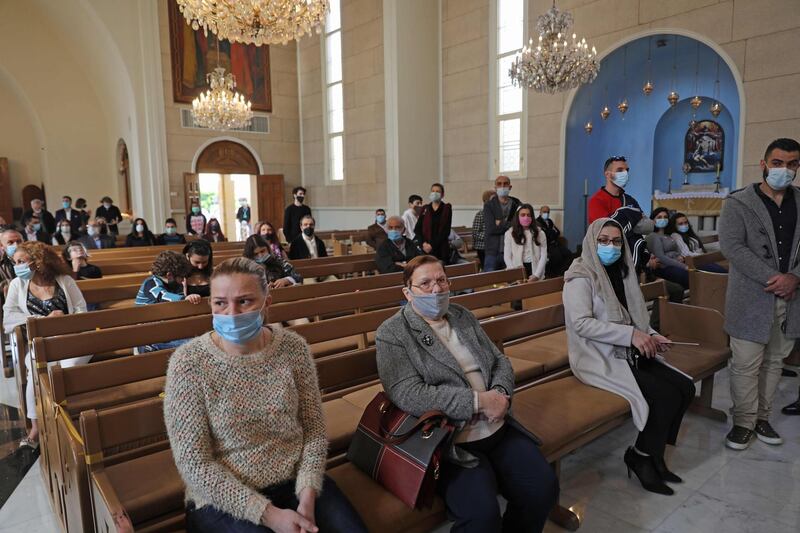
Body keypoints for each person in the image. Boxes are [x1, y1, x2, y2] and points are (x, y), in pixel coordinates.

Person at [164, 257, 367, 533]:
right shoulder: (189, 363)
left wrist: (307, 494)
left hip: (295, 482)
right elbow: (194, 464)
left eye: (244, 301)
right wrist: (269, 515)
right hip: (222, 498)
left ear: (267, 303)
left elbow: (314, 430)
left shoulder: (293, 348)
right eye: (220, 302)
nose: (232, 313)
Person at [376, 255, 558, 531]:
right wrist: (477, 402)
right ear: (408, 292)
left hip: (496, 426)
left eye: (441, 280)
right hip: (448, 441)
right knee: (482, 517)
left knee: (542, 489)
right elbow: (407, 392)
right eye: (425, 283)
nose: (436, 290)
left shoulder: (461, 316)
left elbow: (499, 361)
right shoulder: (393, 332)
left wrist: (499, 394)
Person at [563, 219, 695, 495]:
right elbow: (582, 324)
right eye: (603, 240)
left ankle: (653, 454)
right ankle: (642, 458)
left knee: (685, 387)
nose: (610, 246)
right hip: (599, 355)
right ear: (591, 242)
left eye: (615, 241)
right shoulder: (580, 276)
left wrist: (651, 334)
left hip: (628, 349)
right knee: (663, 395)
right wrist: (631, 336)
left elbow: (635, 316)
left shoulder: (623, 272)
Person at [719, 137, 800, 450]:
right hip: (751, 295)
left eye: (792, 164)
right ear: (764, 164)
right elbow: (732, 246)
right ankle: (743, 422)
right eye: (778, 163)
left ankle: (762, 418)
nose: (785, 169)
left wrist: (794, 277)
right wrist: (776, 277)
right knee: (746, 363)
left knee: (775, 361)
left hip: (790, 297)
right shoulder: (739, 202)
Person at [3, 241, 90, 449]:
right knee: (34, 367)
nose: (17, 267)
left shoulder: (65, 280)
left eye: (21, 261)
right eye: (15, 262)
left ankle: (62, 421)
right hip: (41, 340)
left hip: (72, 338)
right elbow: (8, 318)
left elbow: (81, 309)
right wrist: (40, 319)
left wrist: (63, 319)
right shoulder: (18, 284)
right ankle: (36, 425)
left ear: (38, 260)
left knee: (64, 370)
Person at [587, 156, 683, 304]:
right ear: (607, 174)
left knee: (675, 290)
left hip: (638, 259)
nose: (625, 173)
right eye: (620, 170)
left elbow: (649, 225)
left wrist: (625, 219)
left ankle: (655, 326)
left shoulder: (630, 200)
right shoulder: (597, 201)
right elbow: (608, 230)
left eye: (627, 170)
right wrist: (630, 219)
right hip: (613, 263)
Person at [483, 176, 522, 271]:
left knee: (511, 281)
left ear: (510, 187)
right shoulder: (489, 205)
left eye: (505, 184)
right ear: (495, 187)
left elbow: (519, 225)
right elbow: (491, 228)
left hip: (512, 250)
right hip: (493, 250)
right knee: (489, 280)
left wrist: (501, 223)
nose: (502, 186)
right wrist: (510, 224)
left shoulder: (516, 204)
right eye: (499, 184)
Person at [645, 207, 690, 289]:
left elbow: (678, 252)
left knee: (696, 273)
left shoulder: (669, 235)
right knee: (688, 275)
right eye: (659, 217)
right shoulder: (652, 236)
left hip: (675, 265)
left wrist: (681, 257)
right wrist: (684, 266)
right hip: (664, 268)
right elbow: (661, 257)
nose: (663, 219)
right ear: (653, 220)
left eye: (665, 217)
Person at [504, 204, 547, 281]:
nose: (526, 217)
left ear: (532, 217)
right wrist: (514, 273)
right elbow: (507, 256)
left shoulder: (540, 233)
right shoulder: (509, 233)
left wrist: (537, 275)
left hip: (535, 268)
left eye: (528, 215)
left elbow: (543, 255)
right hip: (517, 268)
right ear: (518, 217)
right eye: (523, 215)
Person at [413, 183, 452, 263]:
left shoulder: (446, 208)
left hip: (441, 248)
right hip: (425, 248)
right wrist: (423, 243)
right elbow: (417, 229)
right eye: (433, 191)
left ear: (442, 194)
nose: (434, 193)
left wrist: (432, 245)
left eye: (437, 191)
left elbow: (446, 231)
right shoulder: (425, 209)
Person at [537, 205, 572, 278]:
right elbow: (546, 235)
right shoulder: (537, 222)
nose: (546, 213)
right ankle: (556, 275)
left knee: (569, 254)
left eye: (548, 212)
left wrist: (551, 233)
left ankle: (562, 273)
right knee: (557, 256)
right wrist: (552, 232)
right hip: (547, 245)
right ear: (540, 212)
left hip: (555, 243)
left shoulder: (550, 221)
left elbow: (557, 232)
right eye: (544, 212)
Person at [471, 190, 494, 269]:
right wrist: (489, 236)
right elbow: (475, 233)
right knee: (487, 267)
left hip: (494, 246)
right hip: (482, 247)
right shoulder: (480, 214)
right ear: (486, 201)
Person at [0, 228, 22, 297]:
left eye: (19, 241)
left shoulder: (35, 262)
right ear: (2, 246)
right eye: (10, 242)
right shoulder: (1, 266)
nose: (16, 245)